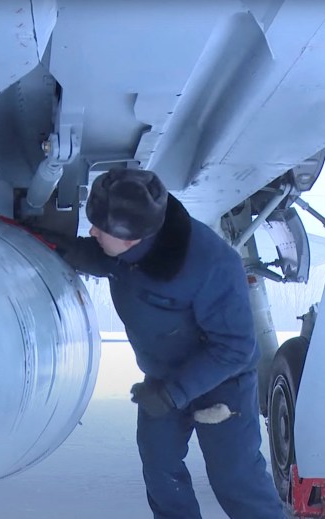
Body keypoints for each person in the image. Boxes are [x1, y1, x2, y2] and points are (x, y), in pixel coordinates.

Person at [39, 168, 284, 519]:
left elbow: (235, 348)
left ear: (132, 237)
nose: (92, 231)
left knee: (236, 480)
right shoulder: (132, 239)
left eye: (100, 228)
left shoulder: (211, 264)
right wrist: (65, 248)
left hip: (221, 384)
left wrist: (173, 394)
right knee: (160, 470)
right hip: (162, 378)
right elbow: (109, 259)